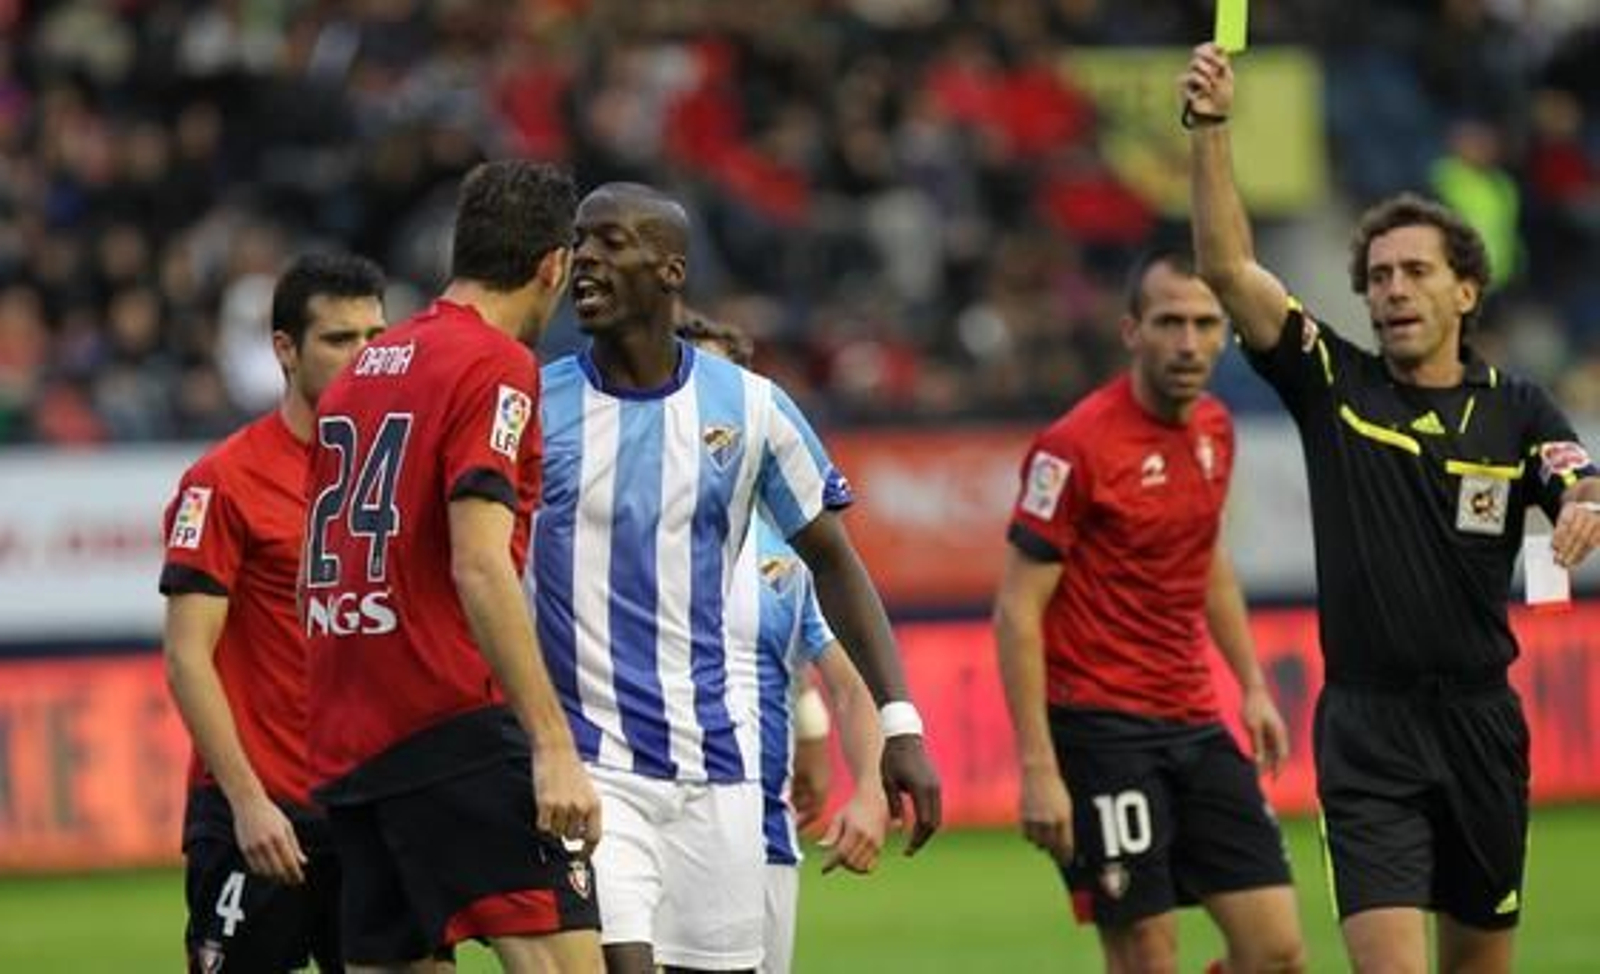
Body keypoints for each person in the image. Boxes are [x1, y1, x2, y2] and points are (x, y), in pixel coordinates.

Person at [1182, 43, 1600, 974]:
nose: (1393, 289)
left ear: (1466, 289)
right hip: (1369, 733)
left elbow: (1579, 478)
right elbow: (1227, 267)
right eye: (1377, 276)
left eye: (1415, 271)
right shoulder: (1333, 382)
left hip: (1483, 727)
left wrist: (1582, 505)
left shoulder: (1516, 406)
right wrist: (1210, 130)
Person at [528, 181, 941, 974]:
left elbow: (835, 562)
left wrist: (900, 728)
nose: (585, 259)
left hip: (721, 778)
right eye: (580, 241)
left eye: (612, 243)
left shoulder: (753, 410)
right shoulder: (535, 408)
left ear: (672, 269)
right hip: (593, 770)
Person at [302, 160, 602, 972]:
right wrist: (551, 742)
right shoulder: (495, 366)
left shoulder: (363, 370)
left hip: (351, 737)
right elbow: (479, 564)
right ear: (553, 266)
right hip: (451, 723)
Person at [993, 248, 1307, 974]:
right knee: (1146, 954)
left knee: (1279, 952)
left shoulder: (1216, 430)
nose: (1189, 342)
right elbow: (1017, 612)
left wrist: (1253, 685)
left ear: (1226, 333)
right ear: (1132, 331)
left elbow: (1208, 561)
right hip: (1100, 733)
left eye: (1205, 323)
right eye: (1170, 322)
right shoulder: (1073, 448)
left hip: (1196, 719)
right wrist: (1039, 766)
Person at [161, 252, 387, 973]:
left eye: (375, 338)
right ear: (284, 350)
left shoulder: (400, 476)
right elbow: (187, 656)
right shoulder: (224, 481)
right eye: (339, 339)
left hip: (369, 810)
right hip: (260, 815)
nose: (362, 356)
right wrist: (248, 803)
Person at [678, 312, 889, 974]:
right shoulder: (614, 531)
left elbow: (846, 680)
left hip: (762, 841)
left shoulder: (788, 553)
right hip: (646, 821)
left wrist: (871, 792)